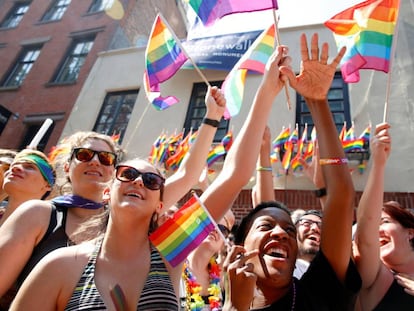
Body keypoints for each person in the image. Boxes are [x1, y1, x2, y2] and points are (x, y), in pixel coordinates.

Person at [9, 41, 291, 310]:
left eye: (151, 181)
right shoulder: (58, 265)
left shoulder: (170, 250)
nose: (137, 181)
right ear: (108, 190)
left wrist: (266, 90)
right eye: (127, 173)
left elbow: (234, 175)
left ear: (160, 202)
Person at [0, 86, 225, 307]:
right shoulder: (40, 214)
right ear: (67, 167)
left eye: (106, 158)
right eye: (85, 154)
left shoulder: (134, 207)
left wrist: (212, 116)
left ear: (112, 175)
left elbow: (188, 174)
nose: (95, 161)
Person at [222, 33, 361, 311]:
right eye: (265, 226)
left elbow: (342, 197)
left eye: (288, 229)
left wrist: (318, 103)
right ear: (238, 248)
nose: (281, 233)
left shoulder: (317, 289)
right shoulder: (223, 304)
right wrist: (234, 306)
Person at [353, 122, 414, 310]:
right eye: (376, 223)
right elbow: (365, 236)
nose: (377, 230)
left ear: (410, 232)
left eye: (385, 222)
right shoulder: (376, 276)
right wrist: (379, 164)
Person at [183, 209, 235, 310]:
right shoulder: (176, 265)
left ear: (223, 242)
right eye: (210, 223)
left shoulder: (221, 279)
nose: (215, 229)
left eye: (222, 229)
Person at [0, 149, 55, 226]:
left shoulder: (47, 231)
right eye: (13, 165)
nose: (15, 168)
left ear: (48, 185)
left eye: (29, 167)